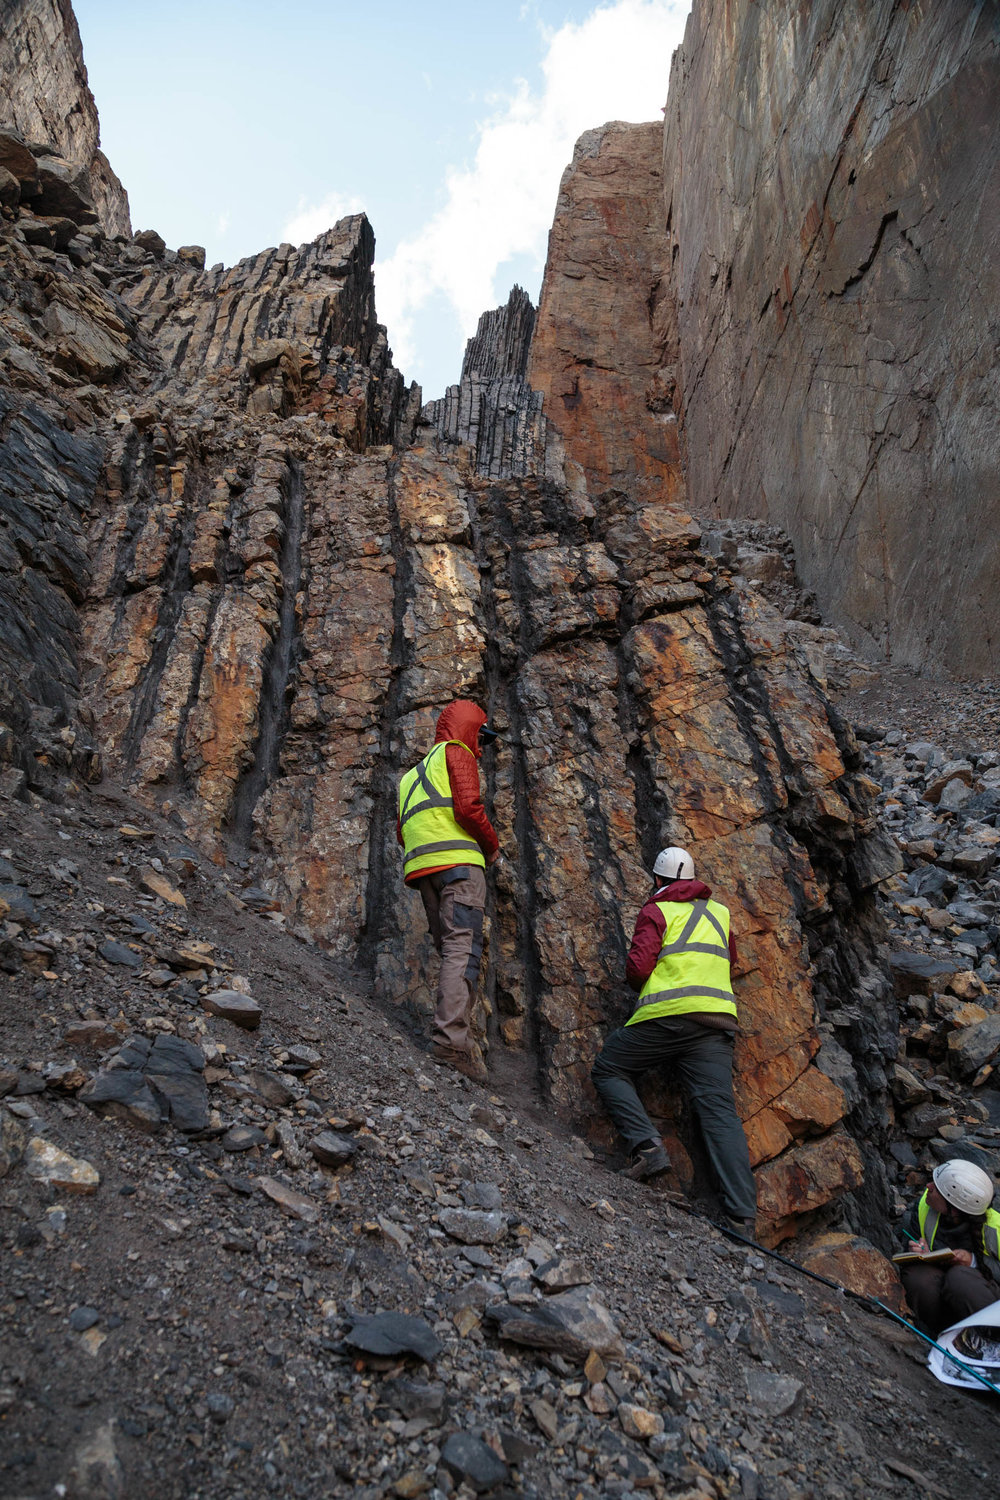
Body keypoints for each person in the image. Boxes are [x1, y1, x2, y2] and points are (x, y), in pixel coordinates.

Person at [591, 845, 757, 1232]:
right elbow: (728, 961)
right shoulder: (720, 913)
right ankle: (743, 1216)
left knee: (609, 1068)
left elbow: (638, 968)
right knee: (720, 1115)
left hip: (667, 1017)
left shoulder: (657, 909)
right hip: (715, 1023)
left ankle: (648, 1148)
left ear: (658, 879)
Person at [397, 699, 501, 1082]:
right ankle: (450, 1044)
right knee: (463, 949)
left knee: (449, 949)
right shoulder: (457, 754)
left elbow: (400, 830)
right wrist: (490, 846)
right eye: (482, 737)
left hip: (424, 873)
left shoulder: (410, 776)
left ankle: (451, 1036)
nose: (481, 747)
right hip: (459, 868)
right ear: (471, 729)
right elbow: (469, 808)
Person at [897, 1159, 1000, 1337]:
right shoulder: (924, 1207)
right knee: (918, 1277)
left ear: (954, 1208)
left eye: (936, 1188)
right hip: (945, 1296)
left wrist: (973, 1262)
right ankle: (936, 1334)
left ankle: (990, 1339)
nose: (928, 1186)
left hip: (985, 1300)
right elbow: (909, 1238)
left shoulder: (995, 1229)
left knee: (959, 1278)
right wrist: (917, 1252)